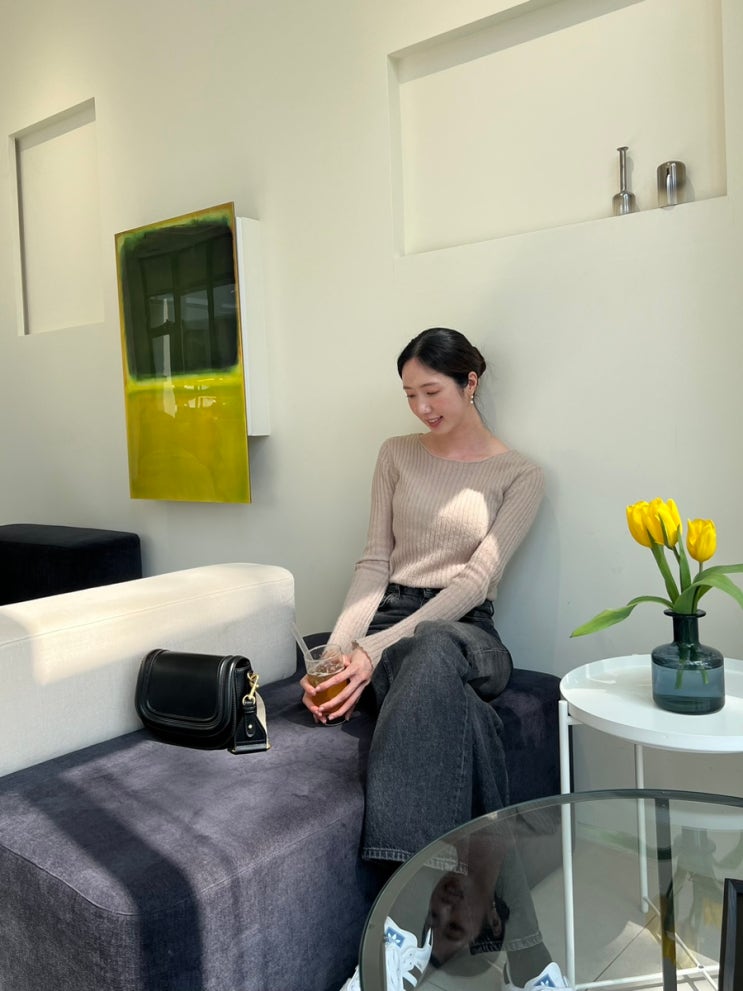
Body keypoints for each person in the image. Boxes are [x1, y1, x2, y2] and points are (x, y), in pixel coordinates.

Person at [299, 328, 568, 991]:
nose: (420, 407)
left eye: (432, 391)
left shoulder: (520, 475)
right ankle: (525, 953)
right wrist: (336, 655)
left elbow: (475, 581)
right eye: (409, 394)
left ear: (470, 382)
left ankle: (398, 924)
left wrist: (372, 653)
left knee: (432, 647)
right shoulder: (395, 454)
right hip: (392, 629)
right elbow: (374, 562)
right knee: (467, 721)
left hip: (467, 632)